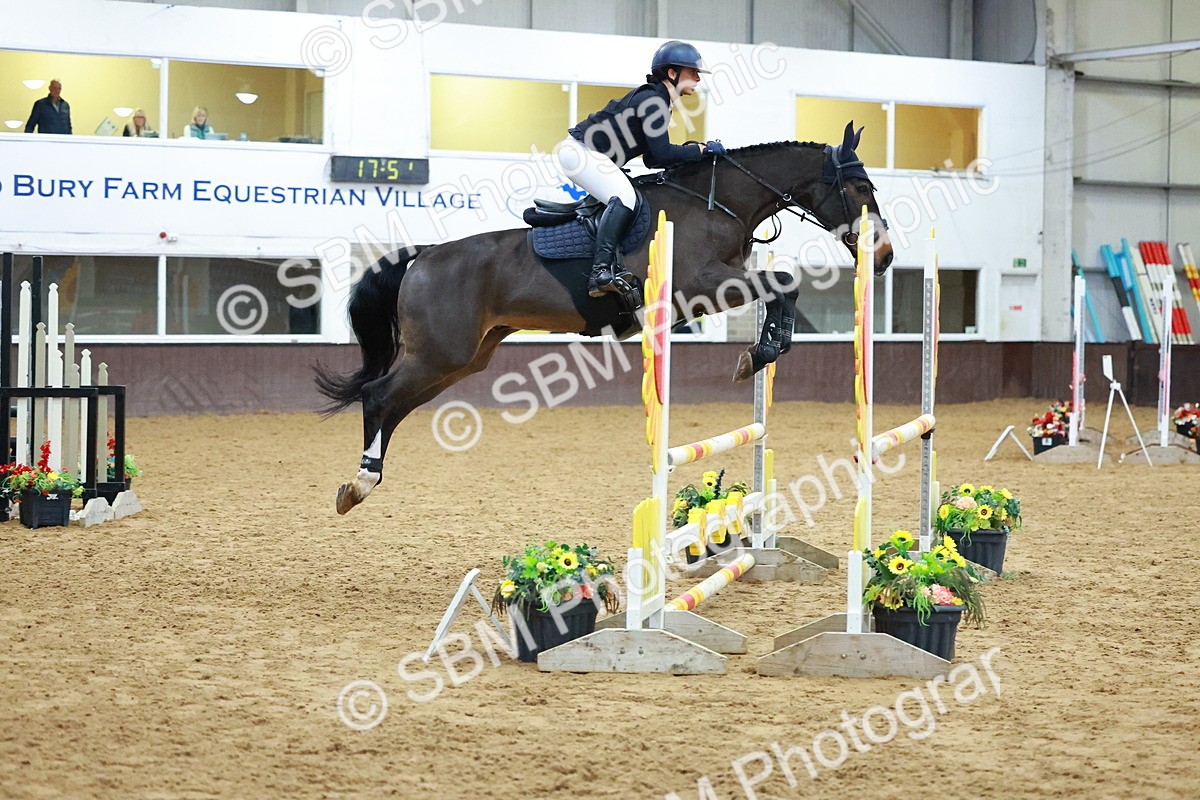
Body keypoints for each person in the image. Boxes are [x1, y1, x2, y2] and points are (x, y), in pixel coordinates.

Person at [556, 40, 725, 297]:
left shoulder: (658, 101)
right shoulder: (654, 101)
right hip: (580, 154)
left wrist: (694, 152)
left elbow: (652, 160)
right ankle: (600, 273)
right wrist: (699, 150)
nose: (698, 79)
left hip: (585, 154)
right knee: (626, 199)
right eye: (693, 73)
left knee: (627, 196)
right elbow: (662, 153)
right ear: (672, 73)